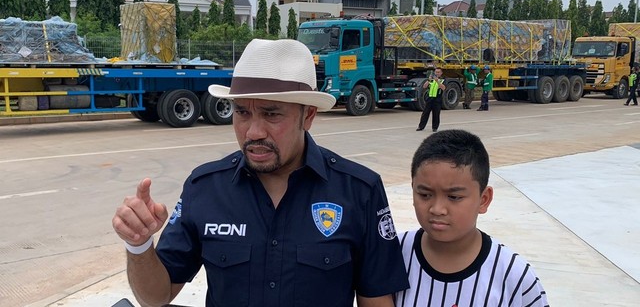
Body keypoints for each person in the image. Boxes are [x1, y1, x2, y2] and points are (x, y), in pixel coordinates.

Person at [112, 39, 409, 307]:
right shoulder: (205, 188)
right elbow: (156, 297)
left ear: (308, 115)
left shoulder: (359, 191)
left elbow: (377, 300)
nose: (253, 132)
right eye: (242, 112)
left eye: (271, 114)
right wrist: (138, 245)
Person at [395, 129, 549, 307]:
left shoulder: (514, 276)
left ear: (484, 200)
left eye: (454, 197)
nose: (437, 209)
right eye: (424, 194)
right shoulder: (391, 255)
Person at [416, 67, 446, 132]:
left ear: (441, 73)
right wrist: (429, 80)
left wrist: (437, 81)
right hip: (429, 99)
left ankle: (435, 127)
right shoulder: (431, 80)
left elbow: (443, 88)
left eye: (438, 72)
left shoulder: (443, 80)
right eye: (436, 72)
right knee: (425, 113)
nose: (437, 73)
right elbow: (424, 86)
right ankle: (421, 127)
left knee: (436, 114)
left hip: (437, 99)